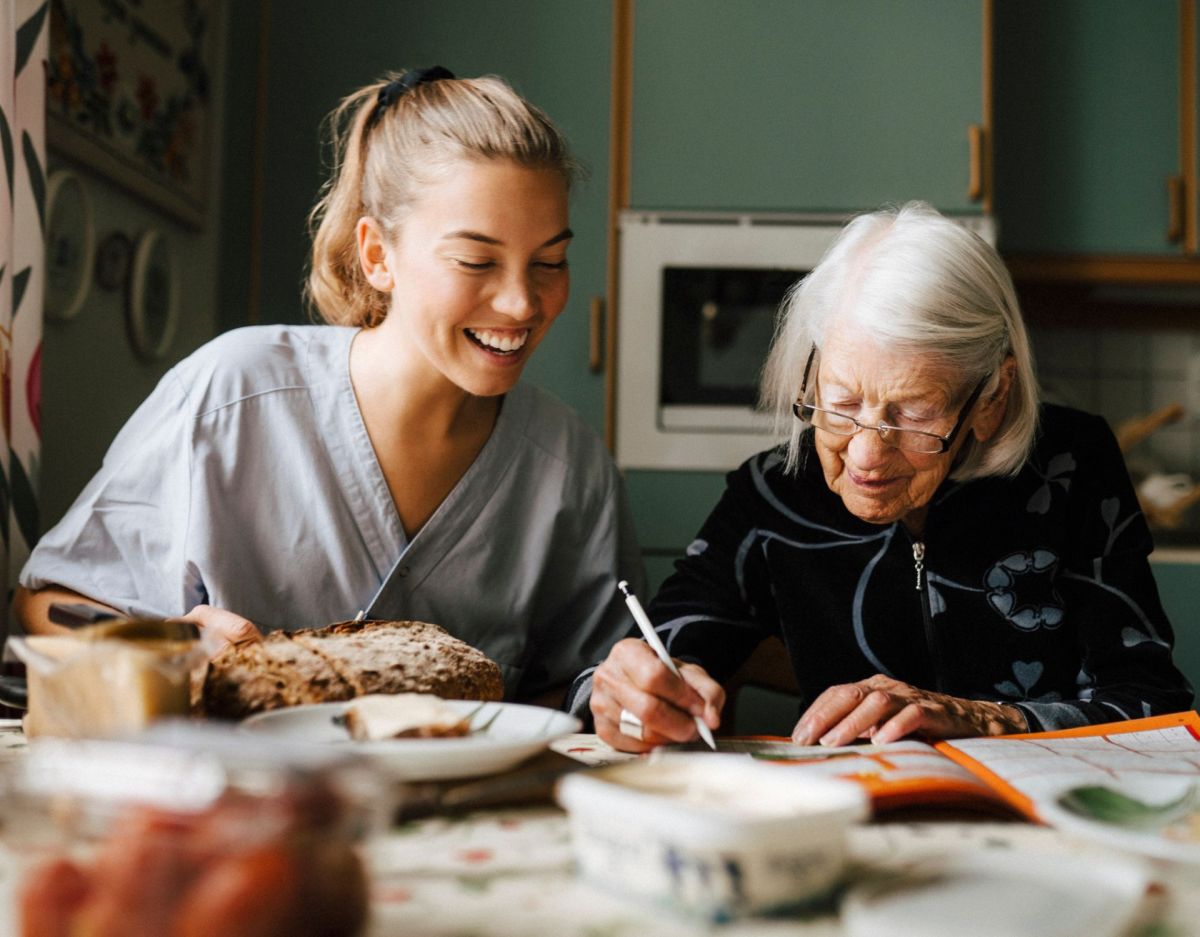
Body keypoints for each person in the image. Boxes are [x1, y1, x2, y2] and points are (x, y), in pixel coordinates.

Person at [16, 67, 643, 706]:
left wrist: (624, 698)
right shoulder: (231, 393)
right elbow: (46, 603)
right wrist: (162, 647)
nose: (520, 303)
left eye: (550, 262)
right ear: (377, 256)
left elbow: (591, 684)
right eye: (476, 261)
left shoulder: (573, 468)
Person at [583, 201, 1194, 751]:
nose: (867, 457)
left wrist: (983, 718)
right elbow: (657, 646)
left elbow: (1154, 704)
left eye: (914, 412)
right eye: (842, 404)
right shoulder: (774, 492)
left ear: (991, 396)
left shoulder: (1072, 466)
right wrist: (631, 694)